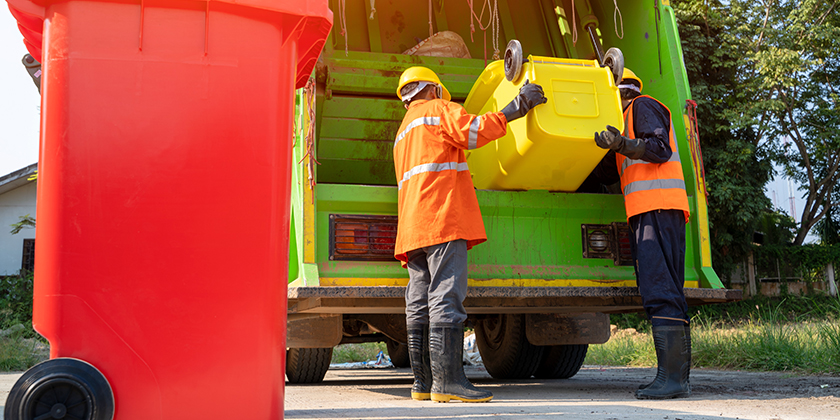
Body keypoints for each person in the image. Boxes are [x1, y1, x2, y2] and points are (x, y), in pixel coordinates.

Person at [393, 66, 546, 403]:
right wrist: (518, 106)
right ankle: (448, 383)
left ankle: (423, 383)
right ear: (433, 89)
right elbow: (473, 132)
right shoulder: (439, 110)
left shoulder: (404, 131)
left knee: (418, 300)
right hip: (442, 217)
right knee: (446, 295)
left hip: (413, 227)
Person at [592, 68, 692, 400]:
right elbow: (608, 170)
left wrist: (622, 143)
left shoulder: (641, 106)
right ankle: (676, 379)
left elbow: (658, 149)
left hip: (658, 208)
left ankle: (672, 379)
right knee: (664, 289)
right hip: (653, 210)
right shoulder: (624, 120)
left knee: (659, 288)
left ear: (620, 91)